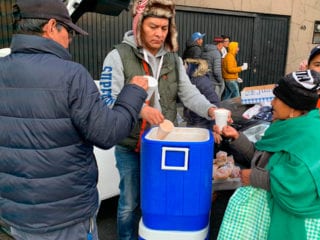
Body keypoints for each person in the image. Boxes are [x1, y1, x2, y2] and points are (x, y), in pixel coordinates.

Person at [0, 0, 148, 239]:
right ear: (50, 26)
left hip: (16, 216)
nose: (70, 39)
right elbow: (107, 133)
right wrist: (134, 92)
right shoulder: (71, 74)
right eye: (68, 31)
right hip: (66, 218)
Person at [99, 0, 218, 239]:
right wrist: (141, 110)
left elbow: (188, 93)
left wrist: (211, 110)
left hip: (165, 143)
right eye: (153, 26)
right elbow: (106, 100)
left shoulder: (173, 59)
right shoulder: (118, 56)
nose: (159, 33)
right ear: (139, 25)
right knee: (129, 204)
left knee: (162, 197)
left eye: (164, 28)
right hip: (131, 144)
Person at [215, 70, 320, 239]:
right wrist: (236, 137)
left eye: (277, 99)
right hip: (272, 210)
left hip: (296, 222)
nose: (272, 103)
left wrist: (255, 177)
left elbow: (303, 184)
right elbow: (264, 158)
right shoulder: (287, 127)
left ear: (293, 107)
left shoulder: (311, 136)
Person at [183, 58, 220, 129]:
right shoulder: (191, 80)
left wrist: (214, 126)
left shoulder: (201, 81)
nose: (183, 68)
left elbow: (215, 102)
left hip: (201, 121)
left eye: (185, 65)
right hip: (193, 118)